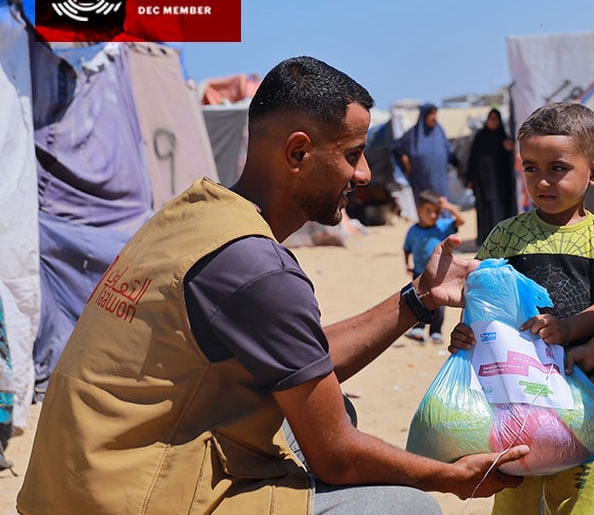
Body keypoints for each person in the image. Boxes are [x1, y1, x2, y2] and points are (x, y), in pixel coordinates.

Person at [17, 56, 530, 515]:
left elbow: (299, 357)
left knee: (327, 408)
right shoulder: (257, 268)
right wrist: (453, 478)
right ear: (298, 153)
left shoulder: (192, 216)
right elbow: (338, 457)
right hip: (126, 498)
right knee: (406, 507)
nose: (364, 173)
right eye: (353, 154)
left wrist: (418, 298)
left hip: (74, 485)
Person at [449, 102, 594, 514]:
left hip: (578, 395)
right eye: (531, 167)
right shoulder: (506, 234)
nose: (542, 181)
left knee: (573, 502)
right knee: (513, 499)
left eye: (558, 168)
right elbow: (481, 298)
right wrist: (465, 332)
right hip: (512, 397)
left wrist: (568, 329)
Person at [403, 189, 465, 344]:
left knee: (438, 303)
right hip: (419, 273)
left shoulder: (443, 226)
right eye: (428, 211)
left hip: (440, 274)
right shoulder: (413, 230)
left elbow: (461, 221)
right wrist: (406, 264)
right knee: (418, 301)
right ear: (419, 211)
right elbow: (407, 248)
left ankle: (436, 332)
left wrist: (449, 208)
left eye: (436, 212)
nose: (433, 216)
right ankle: (418, 329)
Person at [464, 107, 517, 244]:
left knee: (500, 209)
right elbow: (472, 159)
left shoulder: (503, 138)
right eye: (491, 118)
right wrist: (469, 178)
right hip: (482, 183)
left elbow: (511, 161)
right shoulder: (480, 137)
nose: (493, 122)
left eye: (495, 119)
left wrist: (509, 150)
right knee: (484, 210)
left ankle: (501, 239)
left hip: (500, 184)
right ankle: (485, 239)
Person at [395, 102, 459, 204]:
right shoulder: (413, 135)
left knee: (442, 205)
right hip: (421, 181)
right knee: (426, 207)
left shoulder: (439, 131)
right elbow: (397, 147)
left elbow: (449, 151)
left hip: (440, 180)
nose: (434, 118)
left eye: (435, 114)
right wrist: (405, 159)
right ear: (423, 115)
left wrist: (458, 166)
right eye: (431, 114)